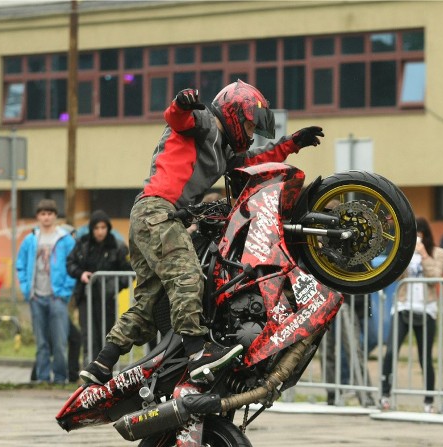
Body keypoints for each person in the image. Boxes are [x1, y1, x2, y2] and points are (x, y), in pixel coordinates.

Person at [80, 81, 323, 386]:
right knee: (188, 276)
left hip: (154, 216)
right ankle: (198, 353)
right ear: (235, 112)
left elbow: (254, 161)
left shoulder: (223, 149)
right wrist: (182, 103)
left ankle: (102, 362)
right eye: (249, 127)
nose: (250, 135)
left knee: (150, 300)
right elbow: (177, 118)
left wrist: (292, 143)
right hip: (159, 212)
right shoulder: (204, 123)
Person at [381, 217, 443, 412]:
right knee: (391, 352)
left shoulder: (438, 252)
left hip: (427, 308)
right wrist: (403, 253)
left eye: (419, 234)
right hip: (403, 306)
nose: (416, 238)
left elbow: (436, 276)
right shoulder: (403, 252)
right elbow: (393, 276)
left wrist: (424, 255)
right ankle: (385, 395)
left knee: (425, 356)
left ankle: (429, 401)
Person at [16, 198, 76, 384]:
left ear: (55, 216)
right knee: (41, 342)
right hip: (37, 296)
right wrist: (27, 289)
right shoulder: (30, 239)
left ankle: (60, 377)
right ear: (38, 216)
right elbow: (21, 265)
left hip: (57, 296)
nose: (46, 217)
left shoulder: (65, 239)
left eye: (50, 214)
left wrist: (65, 290)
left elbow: (73, 264)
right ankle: (42, 378)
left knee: (59, 341)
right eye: (43, 214)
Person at [66, 210, 131, 367]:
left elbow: (128, 273)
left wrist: (112, 287)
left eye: (103, 227)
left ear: (108, 228)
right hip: (85, 297)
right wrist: (81, 274)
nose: (100, 231)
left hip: (107, 299)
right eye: (96, 228)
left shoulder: (117, 246)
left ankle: (105, 371)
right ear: (91, 229)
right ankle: (89, 370)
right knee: (88, 335)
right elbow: (70, 263)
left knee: (107, 335)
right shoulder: (82, 243)